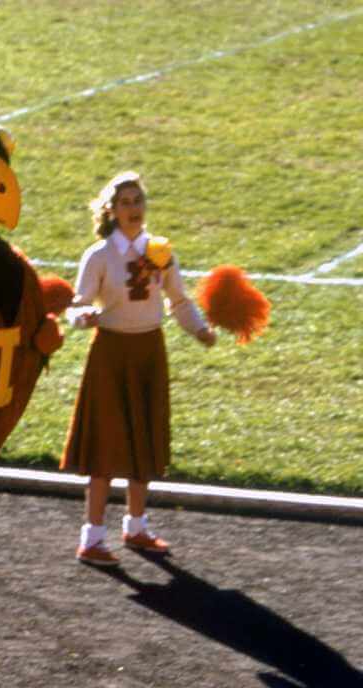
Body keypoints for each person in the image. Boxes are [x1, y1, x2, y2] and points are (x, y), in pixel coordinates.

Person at [61, 170, 216, 566]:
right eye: (125, 203)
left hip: (149, 350)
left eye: (138, 202)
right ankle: (92, 536)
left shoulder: (161, 252)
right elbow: (76, 304)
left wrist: (199, 330)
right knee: (105, 442)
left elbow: (179, 301)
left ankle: (136, 527)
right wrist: (84, 318)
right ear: (111, 211)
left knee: (143, 436)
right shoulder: (98, 256)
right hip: (111, 353)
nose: (134, 209)